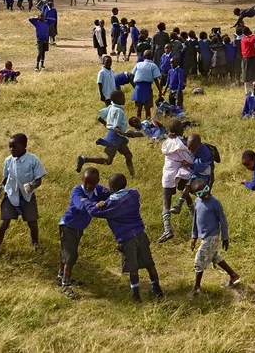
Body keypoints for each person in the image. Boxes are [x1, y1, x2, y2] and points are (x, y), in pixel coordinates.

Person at [88, 173, 164, 302]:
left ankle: (135, 295)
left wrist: (90, 203)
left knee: (132, 268)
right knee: (149, 263)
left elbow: (94, 212)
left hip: (126, 238)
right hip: (140, 233)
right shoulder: (134, 193)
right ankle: (156, 289)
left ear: (111, 188)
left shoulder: (112, 203)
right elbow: (125, 195)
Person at [0, 133, 46, 259]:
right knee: (4, 223)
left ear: (24, 146)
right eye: (9, 147)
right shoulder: (8, 160)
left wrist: (32, 185)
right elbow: (6, 177)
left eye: (15, 147)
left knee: (32, 224)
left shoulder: (33, 160)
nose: (11, 150)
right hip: (11, 195)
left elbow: (39, 179)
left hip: (27, 196)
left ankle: (35, 244)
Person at [57, 167, 110, 298]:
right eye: (86, 182)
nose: (88, 186)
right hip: (69, 226)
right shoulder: (77, 191)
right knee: (70, 255)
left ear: (98, 181)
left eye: (92, 183)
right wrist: (96, 205)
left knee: (67, 252)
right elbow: (81, 206)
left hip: (79, 227)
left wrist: (107, 201)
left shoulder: (100, 190)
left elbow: (110, 196)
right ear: (82, 180)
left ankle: (60, 277)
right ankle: (65, 284)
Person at [188, 177, 241, 297]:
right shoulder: (197, 202)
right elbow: (195, 220)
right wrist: (194, 236)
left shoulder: (215, 202)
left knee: (199, 260)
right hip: (204, 237)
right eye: (201, 193)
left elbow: (223, 221)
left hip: (212, 236)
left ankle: (196, 287)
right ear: (196, 194)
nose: (205, 193)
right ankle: (234, 276)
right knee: (216, 257)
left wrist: (225, 237)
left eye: (206, 189)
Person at [77, 90, 138, 177]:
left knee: (128, 155)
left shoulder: (111, 107)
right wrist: (125, 134)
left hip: (116, 136)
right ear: (117, 99)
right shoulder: (118, 111)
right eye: (123, 97)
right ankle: (84, 159)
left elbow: (99, 118)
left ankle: (133, 175)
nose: (124, 99)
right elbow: (116, 128)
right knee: (108, 161)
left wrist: (107, 125)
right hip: (115, 137)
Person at [157, 120, 193, 242]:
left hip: (168, 171)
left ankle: (167, 229)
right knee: (185, 189)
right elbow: (190, 157)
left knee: (166, 201)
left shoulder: (167, 143)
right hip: (182, 171)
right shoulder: (183, 144)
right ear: (180, 131)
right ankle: (193, 212)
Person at [130, 50, 163, 120]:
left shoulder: (138, 64)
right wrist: (160, 91)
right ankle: (148, 123)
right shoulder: (153, 66)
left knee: (139, 108)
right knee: (147, 108)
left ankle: (138, 123)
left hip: (138, 88)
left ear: (143, 57)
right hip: (147, 88)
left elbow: (132, 75)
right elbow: (156, 80)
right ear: (152, 57)